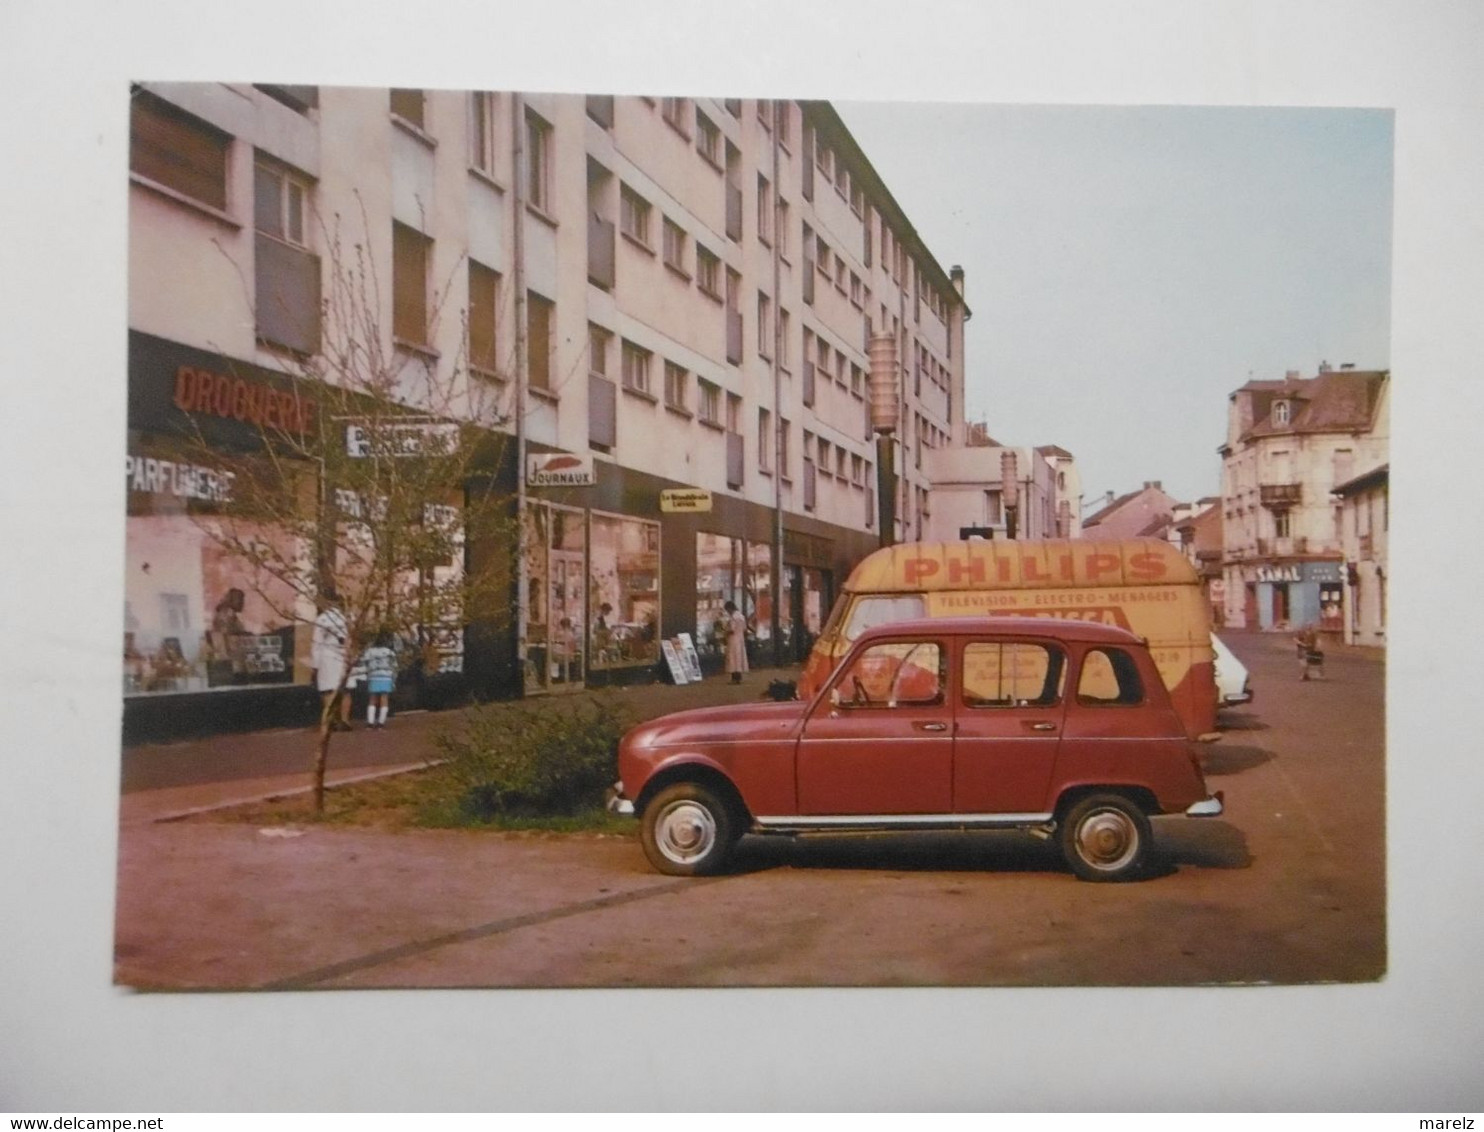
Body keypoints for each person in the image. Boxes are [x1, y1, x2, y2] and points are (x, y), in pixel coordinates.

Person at [312, 585, 355, 730]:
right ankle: (345, 719)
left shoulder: (323, 619)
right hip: (345, 655)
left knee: (328, 689)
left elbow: (317, 643)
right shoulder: (349, 618)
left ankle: (330, 720)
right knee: (346, 690)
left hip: (327, 656)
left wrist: (315, 665)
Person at [362, 631, 397, 729]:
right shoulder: (390, 652)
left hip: (373, 675)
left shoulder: (370, 651)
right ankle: (381, 722)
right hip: (386, 676)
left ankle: (370, 722)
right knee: (384, 698)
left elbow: (364, 663)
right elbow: (394, 666)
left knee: (372, 699)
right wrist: (394, 679)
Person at [723, 600, 749, 684]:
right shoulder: (741, 616)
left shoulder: (733, 617)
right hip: (740, 639)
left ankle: (734, 678)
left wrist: (725, 632)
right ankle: (739, 676)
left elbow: (732, 629)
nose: (728, 612)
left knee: (733, 658)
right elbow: (744, 628)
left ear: (730, 608)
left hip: (733, 639)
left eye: (727, 610)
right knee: (739, 658)